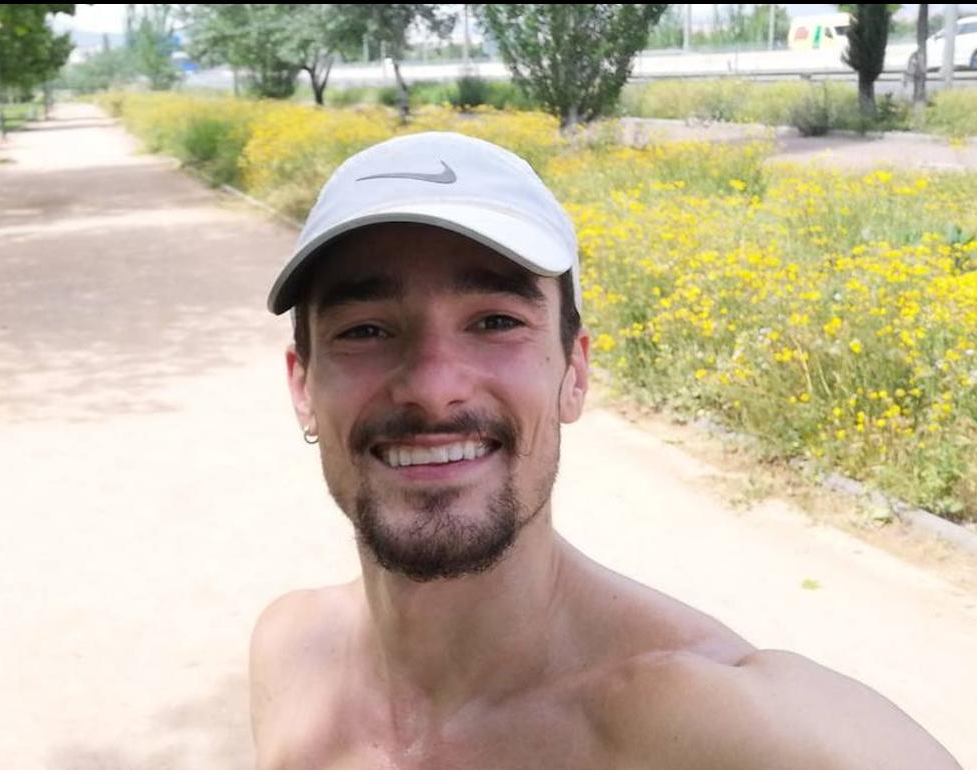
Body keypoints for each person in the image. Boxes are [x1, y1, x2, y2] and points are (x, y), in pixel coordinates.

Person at [251, 132, 961, 769]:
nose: (434, 388)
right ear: (303, 386)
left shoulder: (724, 727)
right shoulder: (287, 656)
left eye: (495, 321)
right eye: (366, 330)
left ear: (576, 374)